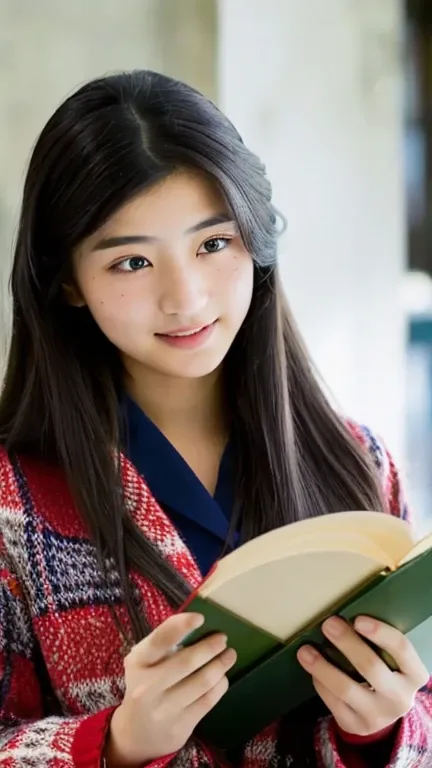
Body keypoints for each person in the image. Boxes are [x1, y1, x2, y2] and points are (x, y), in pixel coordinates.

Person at [0, 70, 430, 768]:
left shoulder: (359, 462)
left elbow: (424, 713)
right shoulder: (13, 503)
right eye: (132, 261)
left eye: (213, 244)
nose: (186, 298)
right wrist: (115, 743)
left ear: (256, 243)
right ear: (69, 281)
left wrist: (383, 731)